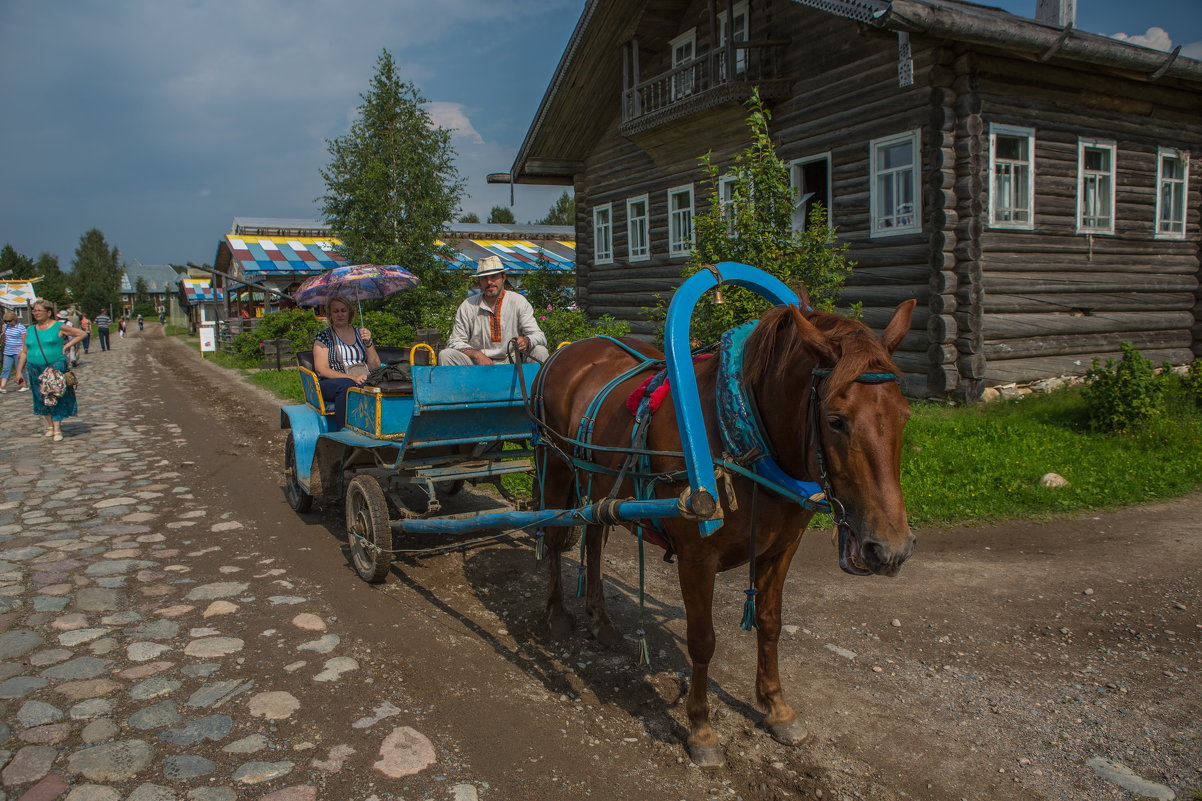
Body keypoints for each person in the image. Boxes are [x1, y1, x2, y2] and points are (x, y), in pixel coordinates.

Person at [439, 256, 548, 366]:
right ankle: (461, 384)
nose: (489, 282)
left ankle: (538, 384)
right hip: (478, 365)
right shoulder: (468, 305)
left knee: (540, 351)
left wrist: (527, 340)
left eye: (494, 277)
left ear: (503, 277)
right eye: (484, 278)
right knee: (446, 355)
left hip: (513, 362)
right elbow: (454, 341)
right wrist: (477, 355)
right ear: (479, 281)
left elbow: (539, 336)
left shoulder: (518, 301)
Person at [14, 299, 85, 442]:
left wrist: (67, 346)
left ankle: (57, 428)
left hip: (54, 366)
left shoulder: (59, 326)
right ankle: (50, 426)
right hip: (34, 368)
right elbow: (24, 352)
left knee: (54, 395)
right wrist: (19, 371)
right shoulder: (30, 330)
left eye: (39, 310)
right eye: (34, 311)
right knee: (40, 397)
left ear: (48, 312)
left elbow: (81, 334)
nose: (36, 313)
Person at [311, 295, 380, 431]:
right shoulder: (324, 336)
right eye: (335, 311)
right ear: (330, 314)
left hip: (362, 378)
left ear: (350, 312)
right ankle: (344, 430)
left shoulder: (361, 334)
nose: (340, 314)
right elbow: (321, 369)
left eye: (343, 310)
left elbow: (375, 366)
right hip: (332, 382)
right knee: (347, 385)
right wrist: (353, 378)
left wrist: (368, 342)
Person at [1, 312, 28, 394]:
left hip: (18, 351)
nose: (8, 323)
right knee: (6, 369)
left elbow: (24, 340)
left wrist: (22, 351)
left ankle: (24, 385)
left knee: (19, 369)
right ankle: (2, 386)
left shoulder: (21, 328)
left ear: (14, 320)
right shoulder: (6, 327)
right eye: (6, 321)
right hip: (8, 351)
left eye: (9, 321)